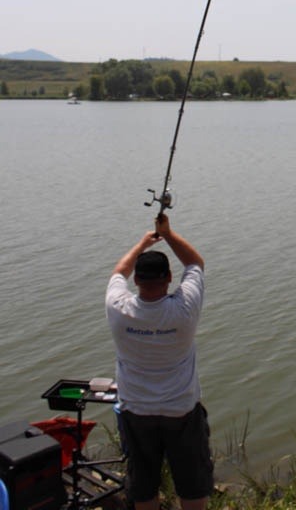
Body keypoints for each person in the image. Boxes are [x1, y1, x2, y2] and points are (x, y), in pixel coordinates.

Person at [105, 213, 213, 510]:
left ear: (137, 280)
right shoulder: (184, 310)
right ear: (168, 278)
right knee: (192, 483)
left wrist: (142, 243)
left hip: (136, 410)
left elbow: (118, 272)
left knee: (143, 485)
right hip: (181, 410)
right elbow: (195, 264)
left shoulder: (118, 308)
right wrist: (168, 233)